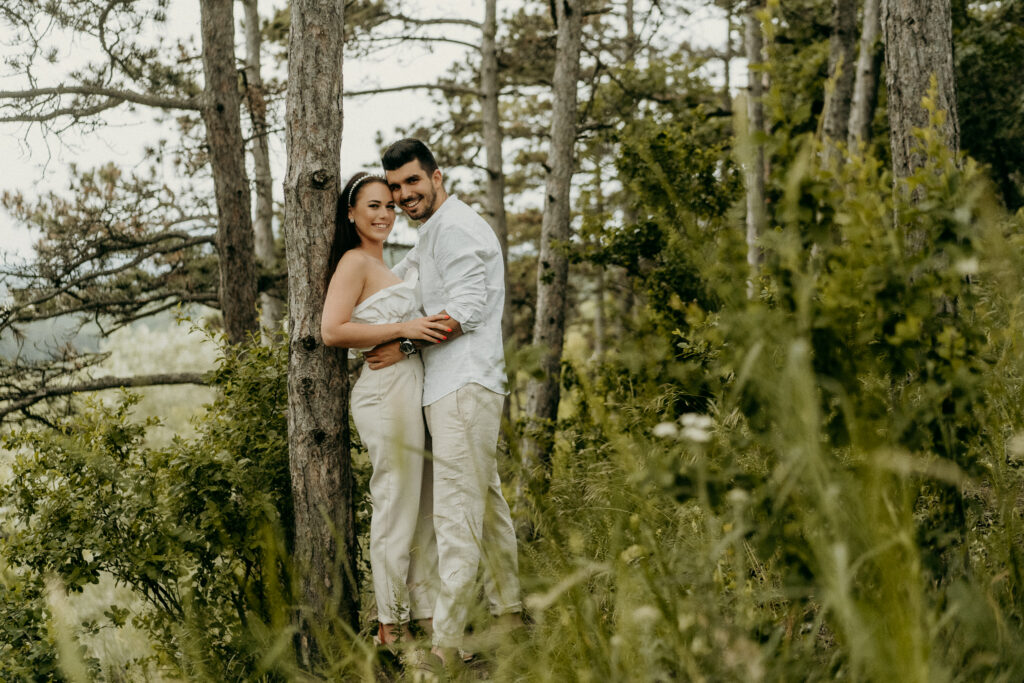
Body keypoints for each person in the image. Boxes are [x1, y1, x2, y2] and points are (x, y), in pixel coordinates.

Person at [366, 139, 523, 662]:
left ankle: (448, 646)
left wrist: (406, 344)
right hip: (459, 385)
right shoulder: (434, 231)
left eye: (412, 181)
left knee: (455, 514)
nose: (403, 195)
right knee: (486, 504)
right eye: (395, 187)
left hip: (462, 384)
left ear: (437, 177)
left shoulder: (455, 227)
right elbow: (398, 282)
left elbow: (468, 307)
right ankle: (509, 615)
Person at [321, 171, 449, 647]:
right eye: (373, 206)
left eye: (390, 206)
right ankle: (390, 627)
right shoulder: (354, 262)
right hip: (384, 393)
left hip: (410, 386)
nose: (384, 215)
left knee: (422, 506)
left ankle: (425, 614)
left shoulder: (385, 264)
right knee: (395, 503)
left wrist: (409, 337)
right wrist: (404, 329)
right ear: (350, 213)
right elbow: (332, 330)